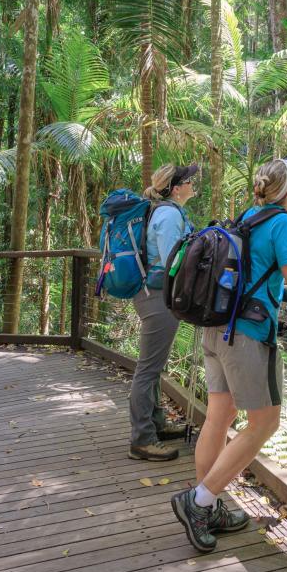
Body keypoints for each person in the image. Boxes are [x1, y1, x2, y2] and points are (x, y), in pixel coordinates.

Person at [170, 153, 287, 551]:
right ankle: (199, 502)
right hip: (247, 334)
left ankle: (207, 504)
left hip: (217, 330)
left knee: (219, 417)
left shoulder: (247, 215)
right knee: (265, 424)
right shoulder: (282, 222)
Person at [128, 163, 197, 462]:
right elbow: (174, 260)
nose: (193, 183)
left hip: (152, 294)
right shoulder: (169, 215)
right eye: (189, 180)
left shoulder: (165, 212)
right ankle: (142, 440)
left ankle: (155, 425)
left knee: (154, 367)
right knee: (148, 369)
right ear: (176, 188)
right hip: (157, 296)